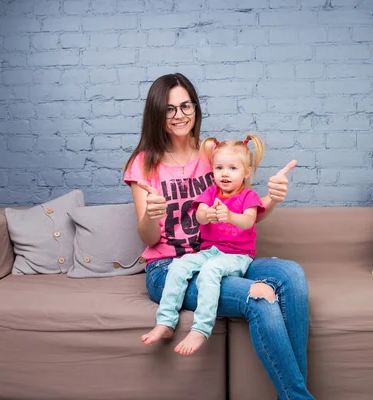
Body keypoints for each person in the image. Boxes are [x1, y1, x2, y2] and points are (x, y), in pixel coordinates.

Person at [124, 73, 315, 400]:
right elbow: (148, 236)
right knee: (261, 296)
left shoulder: (211, 155)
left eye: (186, 106)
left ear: (196, 109)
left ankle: (296, 394)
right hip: (169, 268)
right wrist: (151, 215)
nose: (179, 115)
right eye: (169, 109)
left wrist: (272, 198)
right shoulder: (144, 164)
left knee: (291, 275)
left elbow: (245, 212)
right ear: (156, 114)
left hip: (222, 253)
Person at [142, 134, 266, 355]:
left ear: (246, 172)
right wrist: (207, 214)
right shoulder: (210, 192)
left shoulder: (248, 196)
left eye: (232, 168)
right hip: (210, 251)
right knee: (178, 266)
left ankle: (201, 328)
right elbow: (199, 216)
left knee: (210, 271)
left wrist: (229, 216)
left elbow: (248, 221)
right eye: (219, 168)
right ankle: (166, 321)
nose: (224, 173)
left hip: (237, 255)